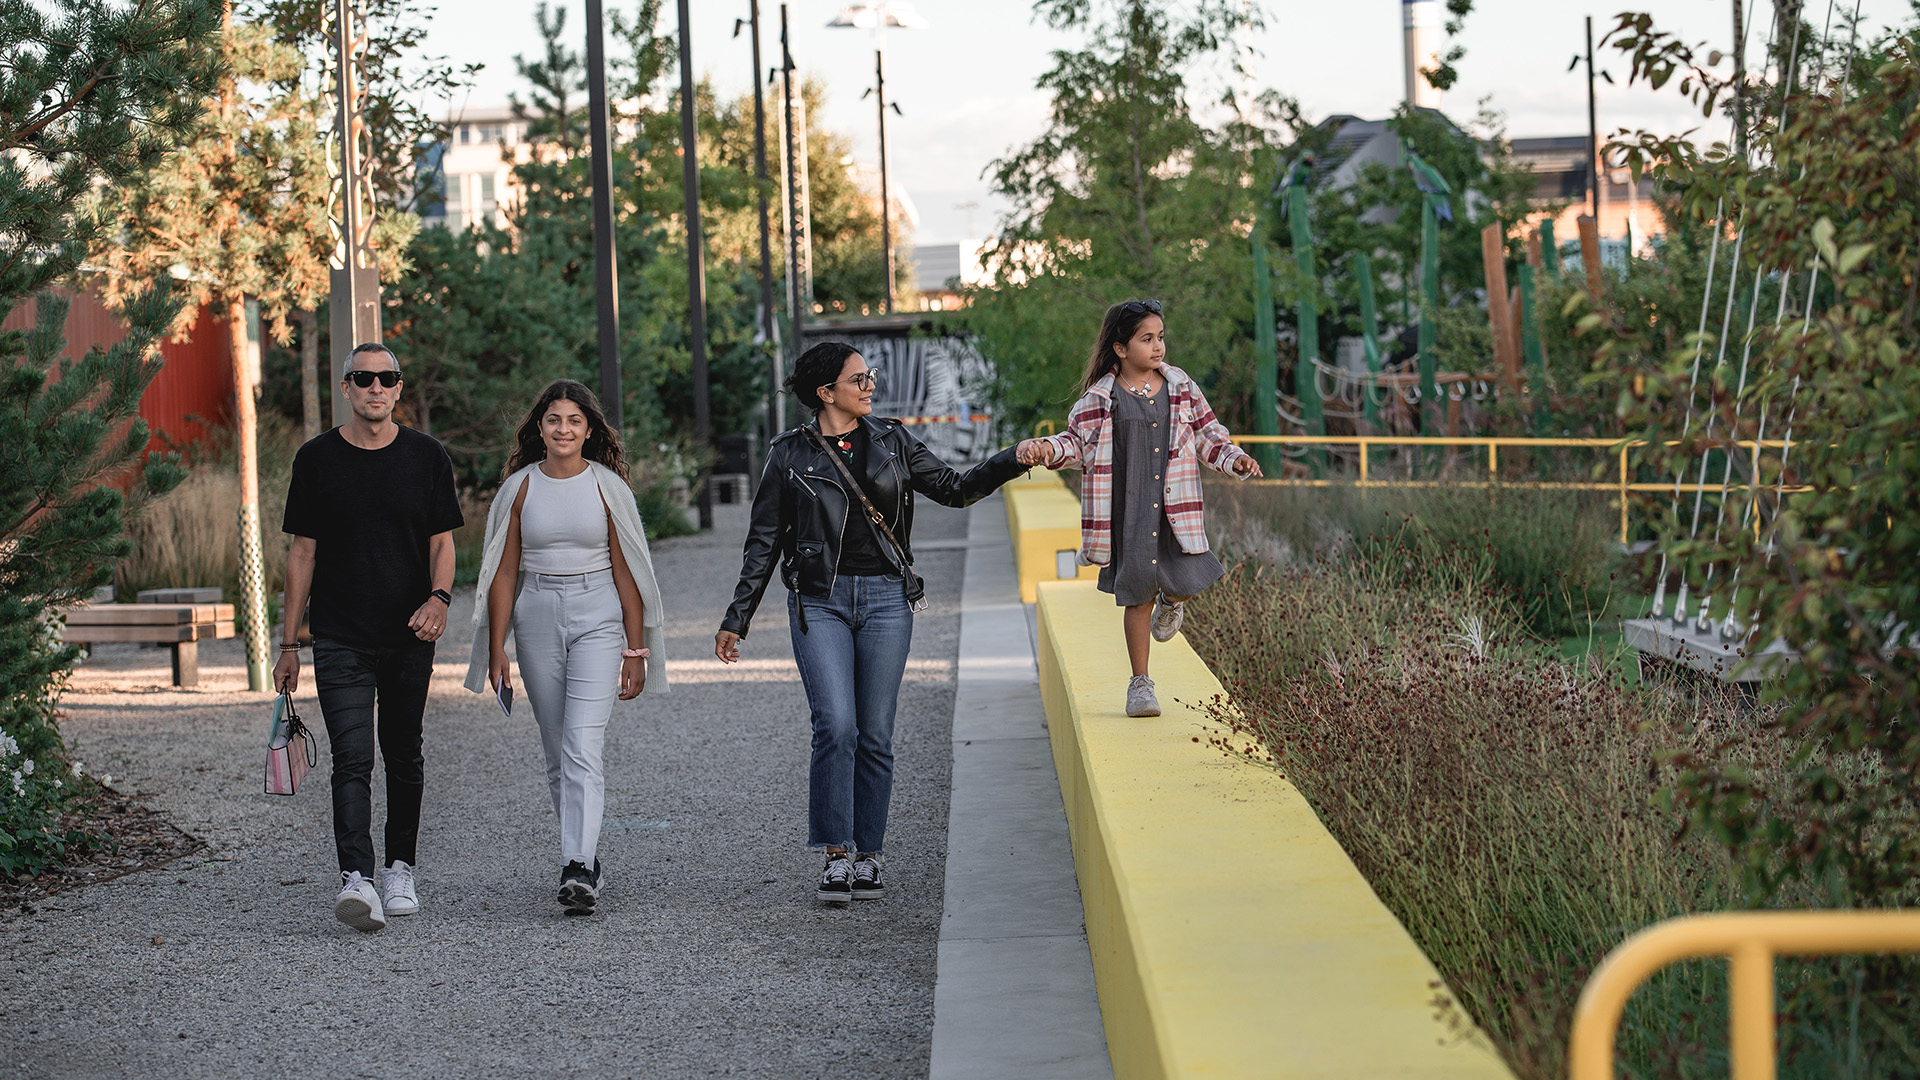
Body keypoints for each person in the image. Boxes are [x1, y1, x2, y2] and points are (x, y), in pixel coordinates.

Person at [716, 342, 1048, 905]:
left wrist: (1014, 457)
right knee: (836, 724)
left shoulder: (894, 441)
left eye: (869, 376)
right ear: (827, 392)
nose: (870, 385)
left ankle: (869, 854)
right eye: (859, 378)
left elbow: (955, 489)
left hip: (888, 600)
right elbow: (764, 541)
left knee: (874, 732)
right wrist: (737, 617)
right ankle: (836, 853)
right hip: (818, 600)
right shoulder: (788, 455)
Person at [275, 342, 465, 933]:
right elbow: (301, 553)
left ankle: (400, 868)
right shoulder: (316, 460)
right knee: (352, 758)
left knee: (403, 754)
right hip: (340, 637)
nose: (376, 387)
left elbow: (443, 543)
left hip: (409, 635)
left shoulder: (427, 456)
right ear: (347, 388)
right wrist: (288, 643)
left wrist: (439, 599)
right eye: (364, 378)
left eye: (387, 378)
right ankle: (356, 878)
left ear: (399, 388)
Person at [465, 380, 666, 915]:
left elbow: (629, 571)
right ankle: (586, 856)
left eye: (574, 420)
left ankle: (577, 865)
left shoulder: (607, 487)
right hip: (536, 614)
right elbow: (504, 571)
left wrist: (635, 650)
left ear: (589, 430)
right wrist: (496, 647)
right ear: (539, 428)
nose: (563, 429)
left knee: (581, 744)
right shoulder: (519, 488)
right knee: (557, 751)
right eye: (553, 419)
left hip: (598, 614)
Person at [1020, 298, 1262, 717]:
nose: (1157, 347)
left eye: (1160, 338)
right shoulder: (1103, 397)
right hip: (1128, 514)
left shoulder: (1181, 386)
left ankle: (1173, 603)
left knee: (1187, 579)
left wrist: (1233, 458)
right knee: (1137, 599)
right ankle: (1141, 685)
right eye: (1146, 339)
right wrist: (1044, 448)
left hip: (1175, 507)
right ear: (1120, 348)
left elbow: (1208, 435)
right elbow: (1076, 443)